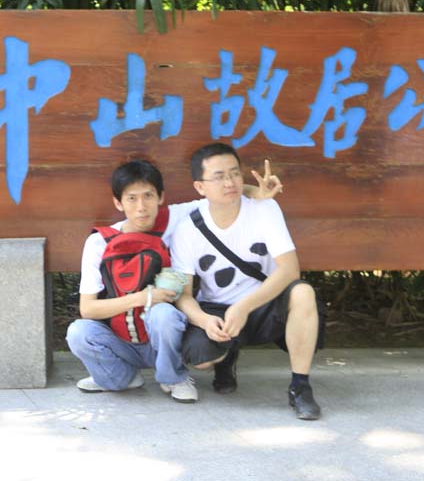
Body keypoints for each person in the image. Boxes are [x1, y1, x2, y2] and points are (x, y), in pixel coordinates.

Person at [66, 158, 282, 403]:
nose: (141, 207)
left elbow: (219, 194)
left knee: (164, 314)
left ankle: (173, 377)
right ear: (118, 202)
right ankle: (121, 377)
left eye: (148, 196)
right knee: (78, 332)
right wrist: (144, 297)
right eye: (132, 198)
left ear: (160, 197)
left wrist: (258, 192)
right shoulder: (99, 242)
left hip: (164, 334)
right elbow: (88, 309)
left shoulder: (175, 218)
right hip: (120, 338)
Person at [170, 143, 324, 420]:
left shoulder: (265, 208)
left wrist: (244, 307)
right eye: (219, 177)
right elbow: (183, 295)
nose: (229, 183)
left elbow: (290, 270)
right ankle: (226, 357)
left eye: (234, 173)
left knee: (302, 292)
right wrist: (205, 321)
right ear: (200, 187)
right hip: (218, 310)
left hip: (264, 303)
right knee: (200, 358)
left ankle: (300, 387)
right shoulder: (186, 228)